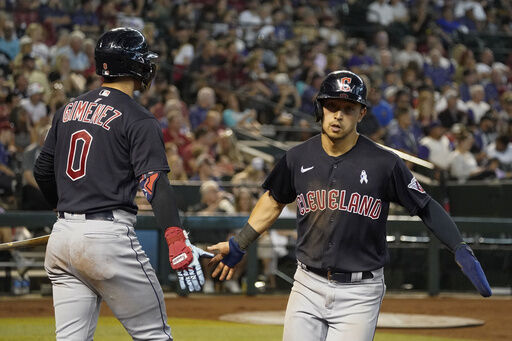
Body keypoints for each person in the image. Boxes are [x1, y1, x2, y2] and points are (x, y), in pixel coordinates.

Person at [208, 70, 492, 341]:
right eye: (332, 106)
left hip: (361, 291)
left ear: (361, 113)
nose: (338, 115)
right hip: (307, 284)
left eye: (348, 108)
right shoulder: (296, 158)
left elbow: (425, 206)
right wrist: (240, 243)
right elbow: (273, 201)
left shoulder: (385, 163)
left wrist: (458, 246)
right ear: (321, 108)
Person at [33, 27, 212, 341]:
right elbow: (154, 182)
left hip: (62, 238)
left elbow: (42, 171)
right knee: (154, 335)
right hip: (106, 239)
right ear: (135, 65)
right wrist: (175, 239)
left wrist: (65, 212)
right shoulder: (138, 118)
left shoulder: (67, 110)